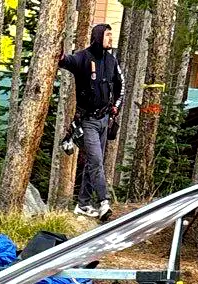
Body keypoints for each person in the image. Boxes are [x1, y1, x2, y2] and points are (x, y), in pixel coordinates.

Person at [60, 22, 124, 218]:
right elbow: (63, 60)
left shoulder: (112, 61)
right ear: (98, 37)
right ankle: (104, 202)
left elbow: (121, 85)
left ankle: (83, 204)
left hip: (105, 120)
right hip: (87, 121)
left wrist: (116, 107)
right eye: (107, 36)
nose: (111, 40)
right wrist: (58, 44)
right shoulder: (82, 58)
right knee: (96, 161)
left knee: (93, 162)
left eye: (111, 36)